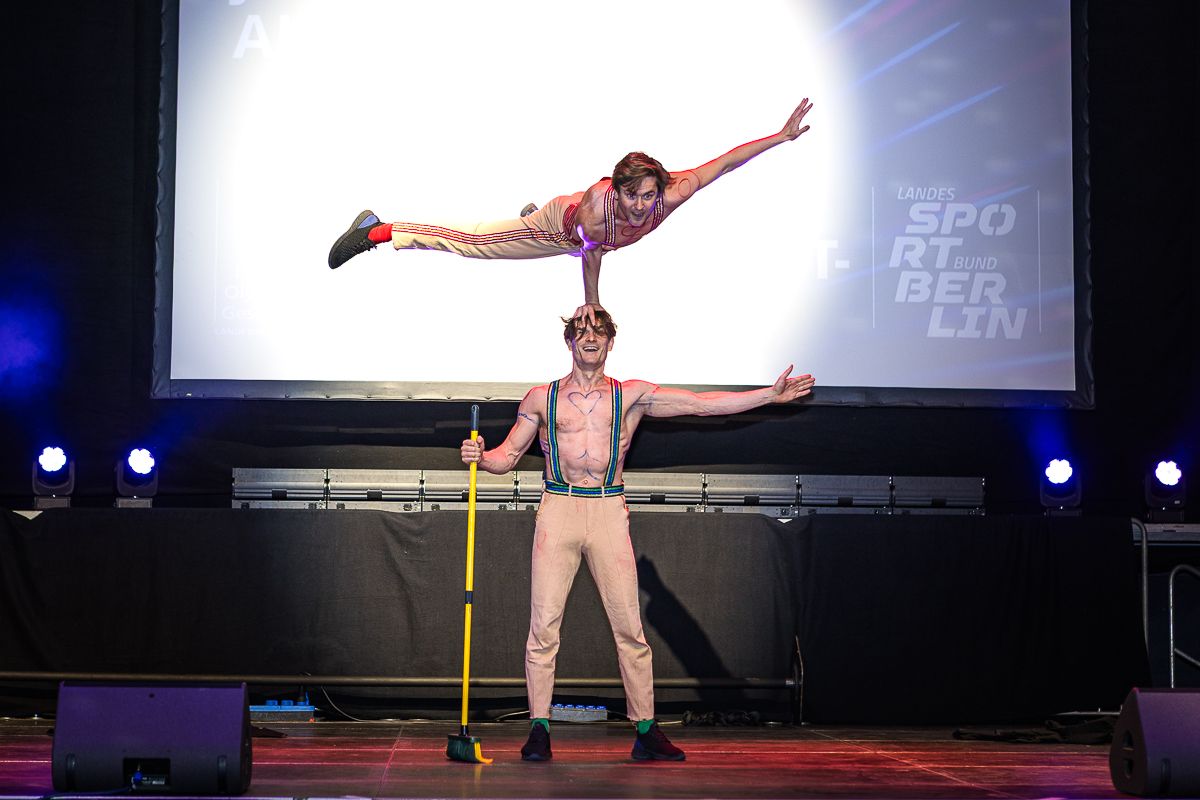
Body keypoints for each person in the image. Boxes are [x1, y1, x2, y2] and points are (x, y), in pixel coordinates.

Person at [459, 309, 815, 762]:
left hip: (608, 508)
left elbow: (700, 405)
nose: (590, 338)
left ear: (610, 343)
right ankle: (539, 729)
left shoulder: (630, 397)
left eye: (599, 332)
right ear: (569, 343)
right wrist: (480, 455)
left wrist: (768, 396)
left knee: (629, 627)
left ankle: (646, 729)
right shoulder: (541, 399)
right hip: (558, 507)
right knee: (543, 627)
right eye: (582, 332)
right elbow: (507, 457)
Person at [329, 99, 814, 321]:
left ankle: (527, 213)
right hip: (558, 231)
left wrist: (781, 136)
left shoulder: (673, 191)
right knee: (474, 243)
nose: (640, 206)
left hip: (577, 234)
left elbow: (726, 163)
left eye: (648, 196)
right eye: (632, 196)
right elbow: (590, 254)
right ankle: (378, 230)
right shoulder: (598, 209)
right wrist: (593, 303)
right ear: (617, 191)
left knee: (549, 237)